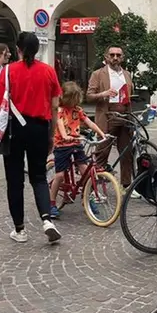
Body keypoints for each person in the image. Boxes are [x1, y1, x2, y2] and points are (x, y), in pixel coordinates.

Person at [0, 32, 62, 244]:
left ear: (17, 49)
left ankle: (20, 229)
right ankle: (47, 219)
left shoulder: (7, 71)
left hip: (14, 129)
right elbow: (55, 105)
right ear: (37, 49)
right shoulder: (48, 71)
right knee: (39, 176)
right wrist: (51, 134)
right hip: (39, 128)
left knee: (14, 180)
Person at [48, 81, 107, 219]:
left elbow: (89, 122)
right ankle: (51, 203)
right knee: (60, 175)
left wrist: (101, 132)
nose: (75, 102)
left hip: (76, 143)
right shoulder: (60, 111)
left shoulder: (78, 110)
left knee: (85, 171)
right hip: (62, 146)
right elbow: (60, 124)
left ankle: (87, 197)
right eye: (73, 99)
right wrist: (64, 136)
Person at [86, 46, 135, 193]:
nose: (115, 57)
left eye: (118, 55)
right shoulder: (98, 74)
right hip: (107, 116)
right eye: (112, 55)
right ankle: (95, 187)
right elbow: (88, 96)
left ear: (122, 57)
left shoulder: (127, 74)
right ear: (106, 57)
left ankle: (126, 186)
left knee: (127, 153)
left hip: (124, 116)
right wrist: (104, 93)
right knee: (102, 152)